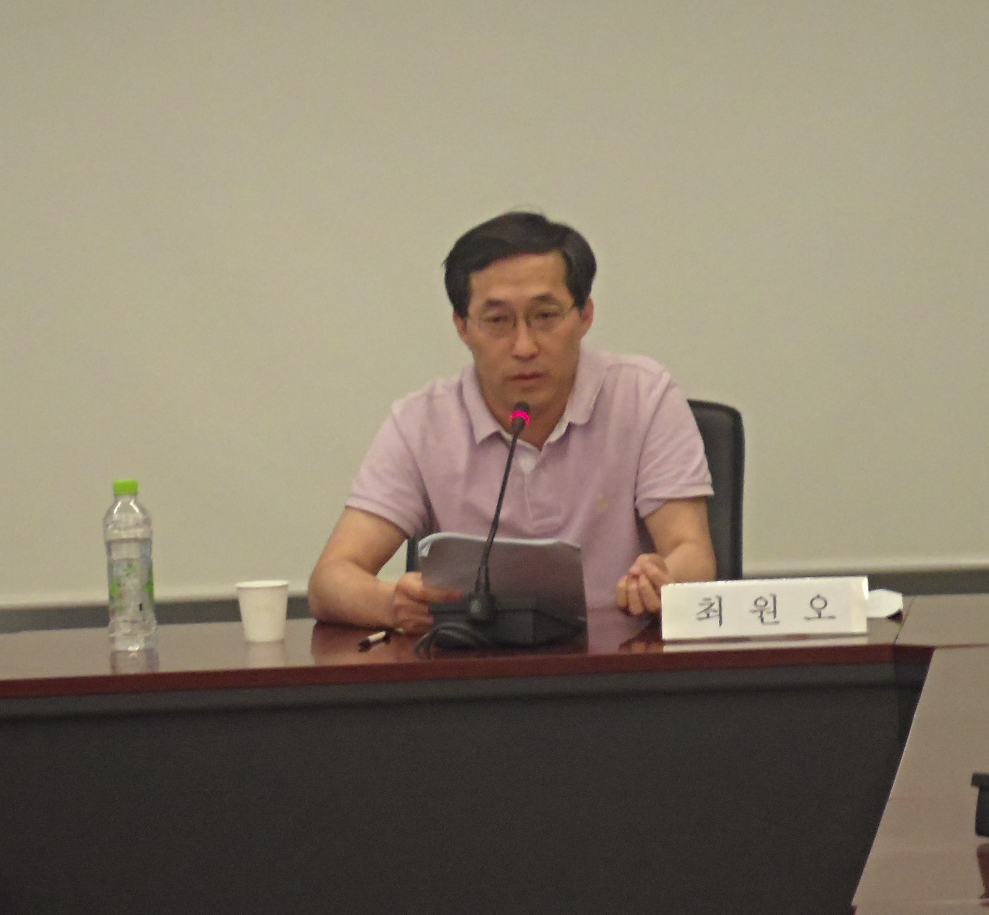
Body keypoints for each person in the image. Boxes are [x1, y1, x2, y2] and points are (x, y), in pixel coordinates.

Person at [307, 212, 718, 632]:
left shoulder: (643, 396)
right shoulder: (422, 423)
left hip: (620, 656)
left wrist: (664, 579)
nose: (524, 347)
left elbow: (692, 552)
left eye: (545, 316)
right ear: (463, 327)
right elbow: (330, 580)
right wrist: (390, 603)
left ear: (584, 315)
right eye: (498, 321)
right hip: (475, 662)